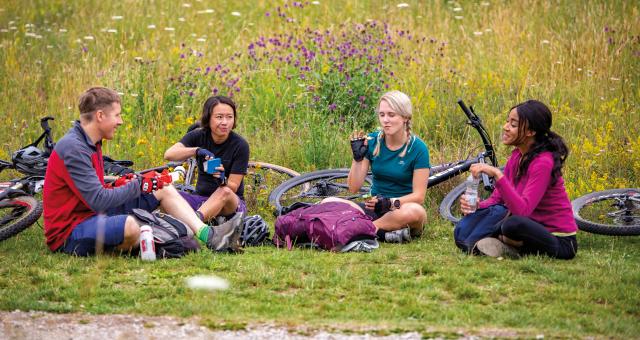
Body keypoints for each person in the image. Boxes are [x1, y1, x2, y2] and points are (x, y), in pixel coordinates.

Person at [43, 87, 244, 257]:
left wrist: (136, 183)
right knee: (130, 226)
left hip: (93, 214)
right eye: (117, 115)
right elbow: (98, 200)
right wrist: (138, 185)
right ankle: (151, 243)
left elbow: (96, 192)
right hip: (70, 230)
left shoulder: (92, 142)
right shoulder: (74, 148)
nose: (120, 121)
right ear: (100, 116)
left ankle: (208, 235)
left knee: (162, 186)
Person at [460, 100, 578, 259]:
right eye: (507, 121)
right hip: (529, 228)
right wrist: (476, 206)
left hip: (559, 240)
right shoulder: (517, 156)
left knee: (512, 224)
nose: (505, 127)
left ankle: (506, 243)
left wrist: (497, 174)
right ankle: (506, 245)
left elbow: (523, 211)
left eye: (513, 124)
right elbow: (497, 199)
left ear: (530, 131)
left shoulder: (543, 162)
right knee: (467, 227)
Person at [328, 90, 430, 243]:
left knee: (417, 212)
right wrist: (357, 158)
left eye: (391, 114)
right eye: (382, 115)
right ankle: (380, 234)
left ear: (405, 117)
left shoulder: (418, 149)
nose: (385, 120)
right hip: (373, 209)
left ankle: (364, 229)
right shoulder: (373, 140)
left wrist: (389, 202)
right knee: (328, 202)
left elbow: (419, 197)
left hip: (399, 210)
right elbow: (353, 188)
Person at [164, 96, 250, 223]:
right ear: (208, 118)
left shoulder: (240, 145)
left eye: (229, 117)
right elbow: (169, 154)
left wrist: (223, 180)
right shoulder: (198, 135)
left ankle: (194, 223)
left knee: (224, 191)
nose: (225, 122)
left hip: (231, 204)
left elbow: (234, 186)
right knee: (164, 191)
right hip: (202, 200)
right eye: (219, 117)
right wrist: (196, 150)